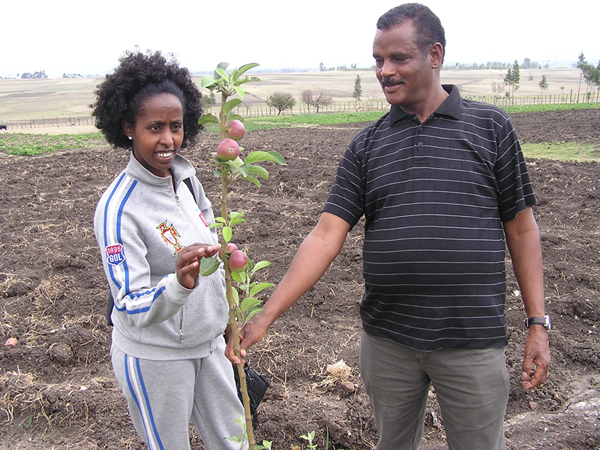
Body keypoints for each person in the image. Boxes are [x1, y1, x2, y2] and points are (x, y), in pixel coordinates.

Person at [227, 4, 550, 450]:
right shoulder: (368, 144)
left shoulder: (490, 128)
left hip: (472, 341)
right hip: (388, 342)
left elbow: (522, 229)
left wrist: (538, 322)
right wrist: (266, 314)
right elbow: (326, 234)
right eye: (378, 60)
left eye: (398, 58)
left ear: (434, 55)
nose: (384, 71)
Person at [92, 50, 245, 450]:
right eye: (154, 127)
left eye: (175, 127)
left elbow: (215, 249)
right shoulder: (118, 208)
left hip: (209, 346)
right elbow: (127, 302)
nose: (168, 140)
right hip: (156, 357)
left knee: (235, 443)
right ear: (128, 127)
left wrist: (227, 321)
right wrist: (178, 283)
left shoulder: (189, 181)